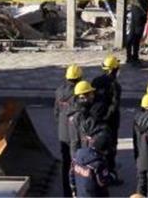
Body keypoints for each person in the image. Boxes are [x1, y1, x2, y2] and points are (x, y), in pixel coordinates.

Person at [55, 65, 84, 197]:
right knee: (76, 162)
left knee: (66, 162)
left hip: (63, 131)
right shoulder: (78, 93)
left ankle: (66, 192)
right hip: (74, 134)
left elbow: (56, 112)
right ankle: (76, 191)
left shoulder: (59, 91)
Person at [91, 56, 122, 167]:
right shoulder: (115, 85)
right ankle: (109, 171)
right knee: (111, 146)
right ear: (113, 70)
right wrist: (107, 117)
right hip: (110, 120)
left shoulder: (95, 81)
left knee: (96, 143)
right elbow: (114, 105)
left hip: (96, 117)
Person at [72, 128, 117, 197]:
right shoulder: (99, 164)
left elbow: (71, 174)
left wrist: (74, 189)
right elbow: (102, 182)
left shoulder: (78, 155)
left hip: (81, 194)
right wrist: (112, 176)